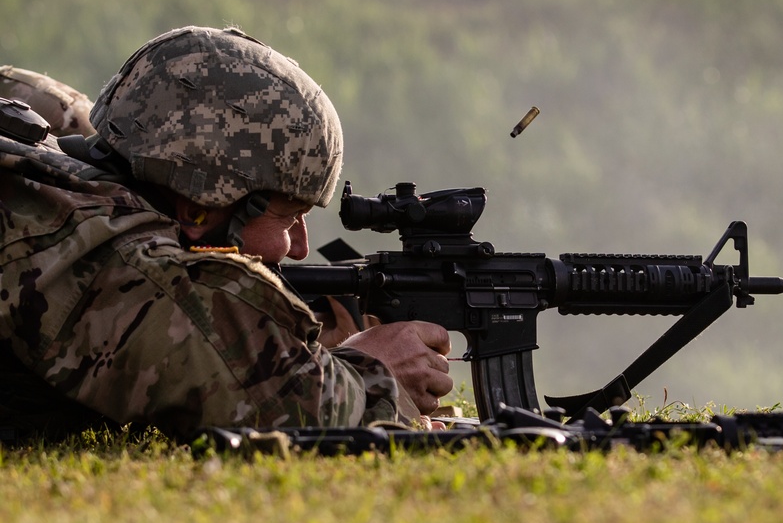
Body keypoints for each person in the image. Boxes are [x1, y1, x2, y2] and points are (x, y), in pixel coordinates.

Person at [0, 25, 452, 439]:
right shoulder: (91, 243)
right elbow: (295, 407)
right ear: (199, 208)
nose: (298, 248)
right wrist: (375, 372)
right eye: (287, 216)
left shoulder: (61, 173)